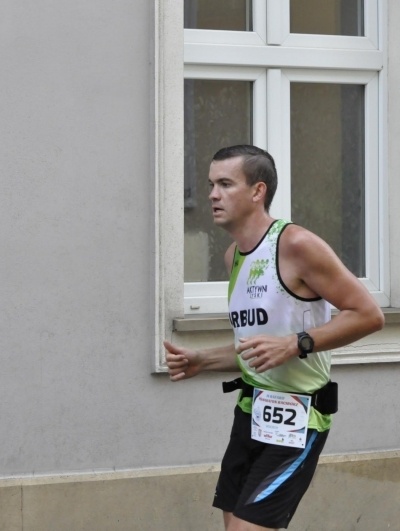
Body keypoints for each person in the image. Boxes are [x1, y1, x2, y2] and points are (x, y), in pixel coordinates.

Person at [164, 145, 384, 531]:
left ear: (257, 191)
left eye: (226, 184)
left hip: (298, 419)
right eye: (211, 184)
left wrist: (297, 343)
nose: (213, 194)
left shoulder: (296, 245)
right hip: (250, 414)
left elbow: (368, 315)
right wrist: (205, 360)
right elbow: (260, 350)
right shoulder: (234, 256)